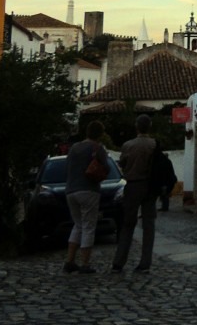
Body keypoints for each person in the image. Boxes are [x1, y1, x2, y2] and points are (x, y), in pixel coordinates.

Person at [111, 114, 158, 273]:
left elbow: (123, 164)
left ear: (136, 127)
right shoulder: (154, 145)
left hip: (132, 185)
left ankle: (119, 261)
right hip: (150, 186)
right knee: (149, 225)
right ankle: (145, 262)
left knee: (128, 224)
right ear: (149, 127)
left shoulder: (128, 145)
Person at [63, 120, 109, 274]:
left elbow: (67, 166)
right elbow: (106, 167)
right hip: (88, 190)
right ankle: (85, 263)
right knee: (89, 226)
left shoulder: (74, 147)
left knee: (78, 225)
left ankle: (70, 260)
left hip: (70, 190)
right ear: (100, 134)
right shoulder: (97, 148)